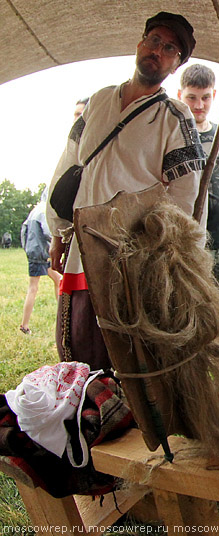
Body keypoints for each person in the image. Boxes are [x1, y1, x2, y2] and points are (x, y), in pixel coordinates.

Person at [47, 12, 205, 370]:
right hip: (81, 246)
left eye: (169, 49)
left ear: (176, 64)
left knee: (125, 356)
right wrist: (58, 231)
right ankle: (84, 413)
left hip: (131, 253)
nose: (158, 51)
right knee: (77, 343)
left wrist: (176, 255)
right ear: (140, 43)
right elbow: (68, 165)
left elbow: (187, 194)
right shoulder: (99, 100)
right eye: (154, 41)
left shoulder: (175, 116)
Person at [178, 64, 219, 347]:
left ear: (215, 95)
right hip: (190, 245)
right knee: (190, 316)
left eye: (205, 97)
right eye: (192, 97)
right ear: (179, 95)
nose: (199, 104)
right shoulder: (175, 135)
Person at [20, 190, 62, 335]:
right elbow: (49, 231)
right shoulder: (45, 210)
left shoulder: (34, 211)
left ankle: (61, 315)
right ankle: (24, 326)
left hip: (37, 253)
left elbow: (23, 231)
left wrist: (27, 250)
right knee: (33, 288)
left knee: (58, 280)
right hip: (42, 254)